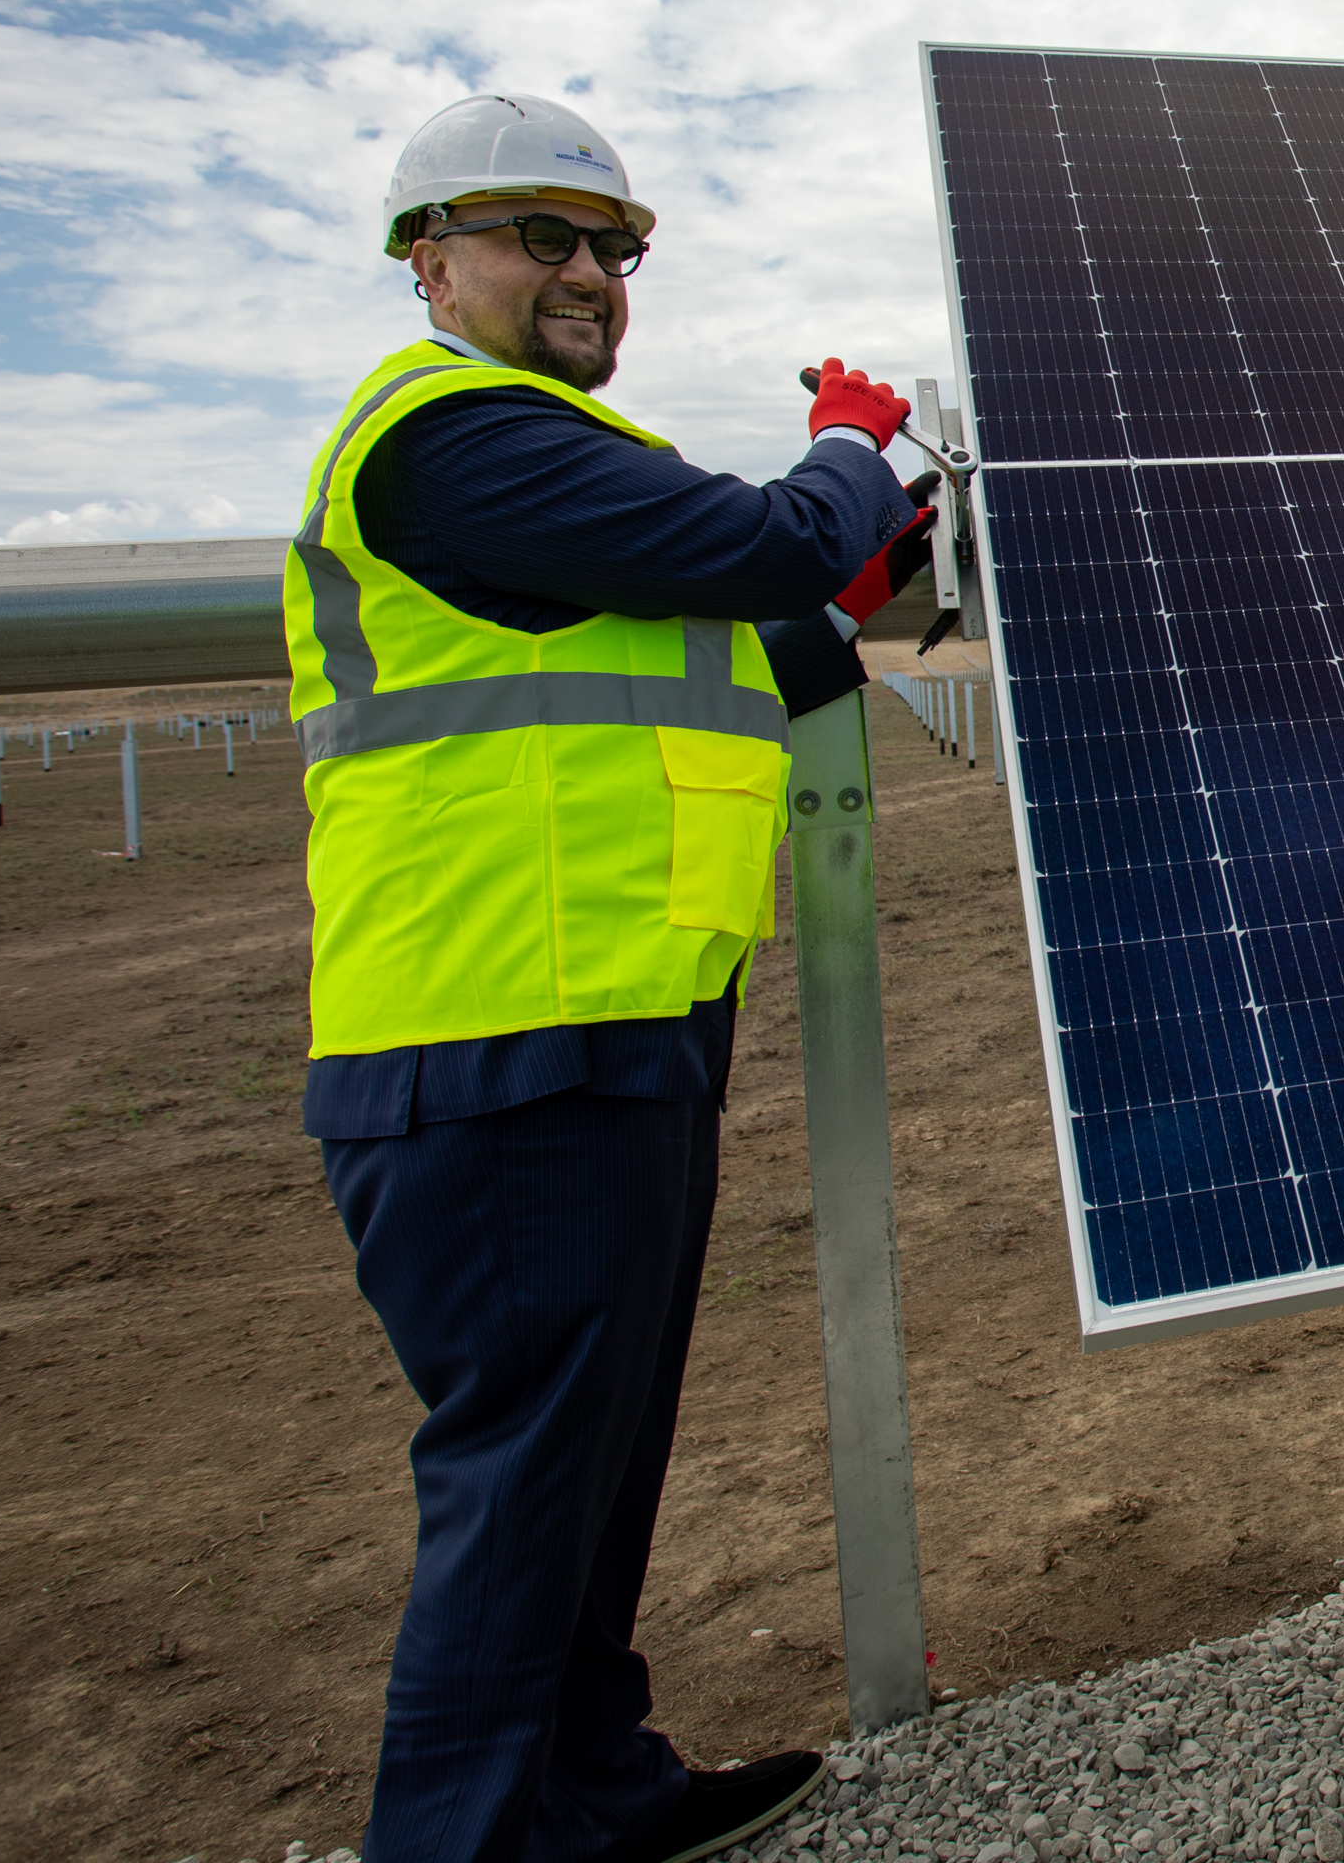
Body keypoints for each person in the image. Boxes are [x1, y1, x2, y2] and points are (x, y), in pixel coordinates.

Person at [289, 92, 938, 1863]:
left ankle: (595, 1789)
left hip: (608, 1022)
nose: (589, 271)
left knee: (586, 1463)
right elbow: (770, 545)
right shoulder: (453, 434)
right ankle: (479, 1835)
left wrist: (883, 549)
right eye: (539, 237)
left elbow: (780, 627)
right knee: (525, 1484)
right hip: (496, 1033)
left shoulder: (565, 486)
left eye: (615, 246)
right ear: (430, 262)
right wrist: (852, 446)